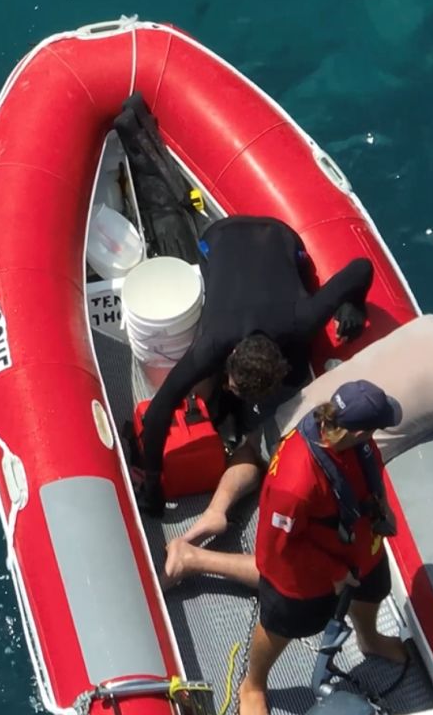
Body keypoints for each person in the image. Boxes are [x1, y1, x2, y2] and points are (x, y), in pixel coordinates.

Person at [172, 302, 433, 548]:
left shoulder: (430, 323)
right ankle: (197, 559)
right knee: (294, 568)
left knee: (253, 447)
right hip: (327, 463)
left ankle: (216, 509)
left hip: (299, 417)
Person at [136, 214, 374, 515]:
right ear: (230, 356)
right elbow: (159, 409)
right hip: (219, 238)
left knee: (300, 370)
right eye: (232, 385)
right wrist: (153, 482)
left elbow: (362, 268)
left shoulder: (303, 322)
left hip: (276, 239)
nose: (229, 387)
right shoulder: (213, 343)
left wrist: (355, 303)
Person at [237, 380, 407, 715]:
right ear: (359, 429)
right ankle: (253, 684)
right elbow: (278, 547)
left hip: (362, 543)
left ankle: (369, 638)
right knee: (283, 626)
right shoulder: (295, 482)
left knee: (373, 589)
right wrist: (333, 571)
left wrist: (383, 512)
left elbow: (369, 475)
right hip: (303, 571)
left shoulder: (354, 440)